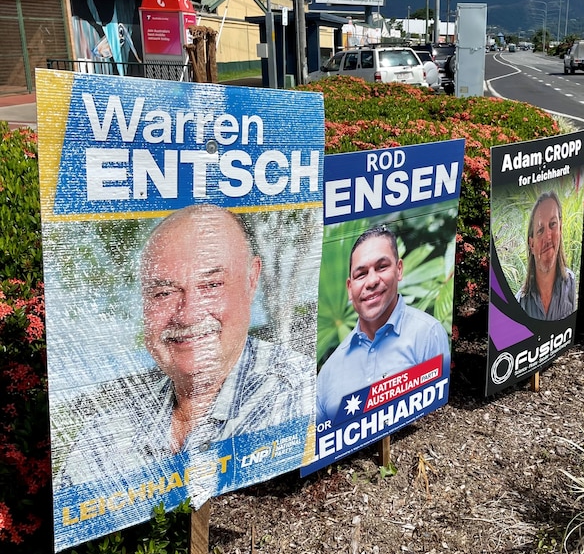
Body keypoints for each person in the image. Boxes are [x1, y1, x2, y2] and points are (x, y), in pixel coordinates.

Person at [58, 204, 314, 486]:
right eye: (164, 293)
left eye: (211, 285)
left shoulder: (297, 390)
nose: (188, 314)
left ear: (251, 280)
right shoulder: (107, 430)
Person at [316, 225, 450, 423]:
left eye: (381, 267)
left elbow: (436, 423)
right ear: (349, 288)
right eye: (361, 274)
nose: (371, 281)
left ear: (399, 270)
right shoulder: (328, 371)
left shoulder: (427, 334)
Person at [515, 191, 576, 321]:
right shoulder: (520, 303)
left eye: (552, 224)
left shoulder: (571, 283)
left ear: (560, 229)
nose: (548, 236)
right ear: (531, 244)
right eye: (540, 230)